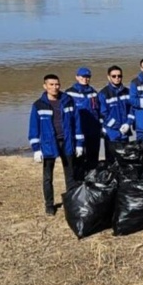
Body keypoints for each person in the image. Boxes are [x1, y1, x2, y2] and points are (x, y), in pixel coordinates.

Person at [28, 74, 83, 216]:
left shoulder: (68, 101)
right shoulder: (38, 105)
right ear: (45, 86)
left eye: (57, 84)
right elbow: (34, 128)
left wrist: (79, 144)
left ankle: (71, 202)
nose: (55, 87)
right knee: (47, 177)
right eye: (51, 84)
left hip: (67, 141)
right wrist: (36, 149)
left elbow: (76, 123)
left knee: (70, 175)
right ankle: (49, 205)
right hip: (48, 143)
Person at [65, 67, 100, 180]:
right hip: (78, 130)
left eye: (87, 77)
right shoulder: (69, 93)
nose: (85, 79)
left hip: (93, 129)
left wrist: (100, 128)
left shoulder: (93, 92)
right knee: (78, 158)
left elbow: (97, 111)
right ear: (77, 77)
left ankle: (92, 180)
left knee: (93, 157)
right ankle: (78, 181)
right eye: (83, 77)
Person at [98, 65, 131, 164]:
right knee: (111, 159)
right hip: (111, 132)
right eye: (114, 76)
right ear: (109, 77)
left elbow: (132, 110)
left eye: (119, 76)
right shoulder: (103, 93)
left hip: (125, 131)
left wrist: (128, 123)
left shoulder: (127, 92)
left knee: (125, 158)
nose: (117, 78)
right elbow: (103, 113)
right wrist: (117, 125)